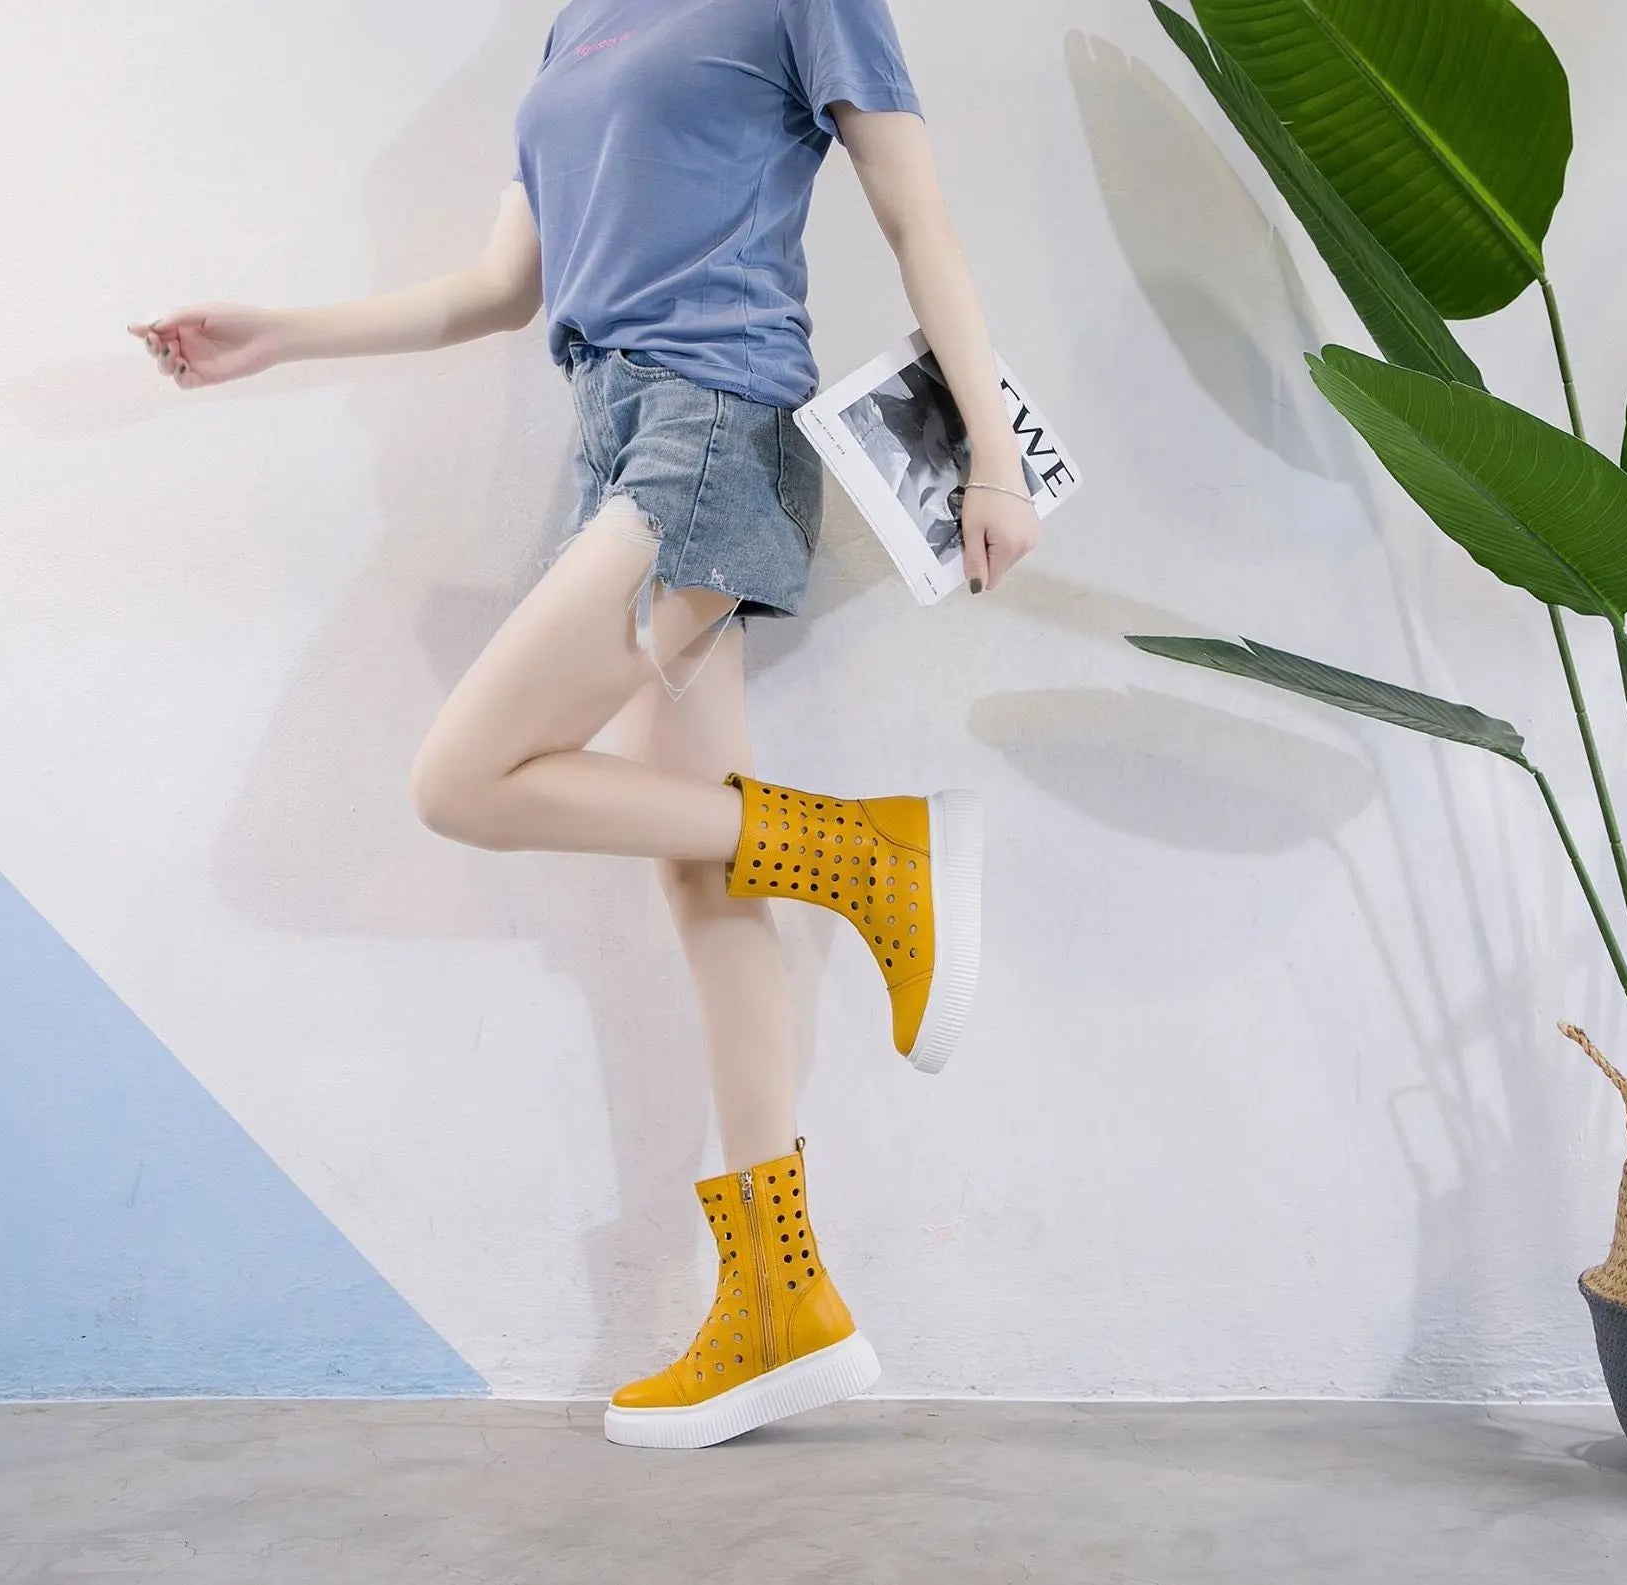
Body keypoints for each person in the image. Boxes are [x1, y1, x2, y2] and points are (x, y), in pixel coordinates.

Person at [128, 0, 1041, 1450]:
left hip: (710, 424)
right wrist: (277, 334)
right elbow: (501, 286)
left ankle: (875, 855)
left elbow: (913, 214)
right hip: (613, 436)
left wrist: (993, 454)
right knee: (705, 866)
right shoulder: (577, 25)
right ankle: (780, 1300)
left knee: (464, 777)